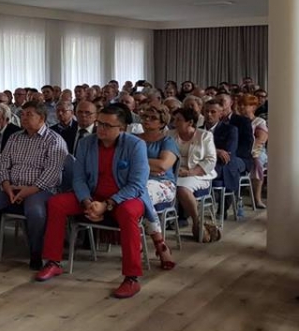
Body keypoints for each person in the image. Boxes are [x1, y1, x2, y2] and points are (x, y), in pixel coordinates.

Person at [35, 105, 150, 299]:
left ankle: (131, 278)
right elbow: (79, 178)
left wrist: (107, 204)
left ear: (121, 128)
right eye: (99, 123)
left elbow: (137, 185)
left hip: (125, 198)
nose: (100, 129)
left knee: (129, 213)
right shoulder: (86, 143)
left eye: (107, 125)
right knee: (56, 203)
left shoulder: (135, 145)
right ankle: (53, 262)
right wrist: (87, 201)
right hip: (92, 196)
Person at [0, 102, 68, 270]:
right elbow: (3, 164)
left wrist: (29, 190)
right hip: (12, 187)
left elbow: (52, 173)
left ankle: (36, 252)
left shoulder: (54, 140)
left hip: (40, 190)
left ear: (42, 118)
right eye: (23, 114)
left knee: (35, 211)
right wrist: (6, 185)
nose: (24, 117)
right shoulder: (15, 137)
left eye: (29, 114)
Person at [135, 105, 179, 269]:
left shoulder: (167, 141)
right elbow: (121, 162)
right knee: (138, 194)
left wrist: (137, 163)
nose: (147, 120)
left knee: (141, 193)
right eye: (145, 116)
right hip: (137, 182)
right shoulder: (134, 139)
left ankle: (143, 242)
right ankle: (160, 244)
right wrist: (149, 166)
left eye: (152, 118)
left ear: (162, 123)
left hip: (163, 184)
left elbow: (163, 166)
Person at [171, 107, 217, 241]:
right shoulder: (169, 134)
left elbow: (210, 160)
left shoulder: (204, 136)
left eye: (179, 120)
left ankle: (197, 221)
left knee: (181, 188)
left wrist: (189, 172)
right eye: (174, 119)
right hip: (174, 172)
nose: (174, 123)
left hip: (199, 174)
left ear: (190, 122)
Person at [235, 94, 268, 208]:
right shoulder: (236, 120)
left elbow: (261, 139)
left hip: (256, 149)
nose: (241, 107)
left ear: (253, 107)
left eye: (245, 105)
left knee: (257, 161)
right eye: (240, 104)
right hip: (239, 149)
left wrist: (248, 151)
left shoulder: (259, 121)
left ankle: (257, 198)